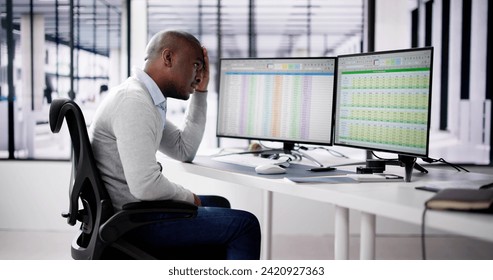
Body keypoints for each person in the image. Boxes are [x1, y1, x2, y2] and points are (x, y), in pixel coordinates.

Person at [89, 30, 261, 259]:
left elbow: (183, 150)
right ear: (168, 58)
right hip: (135, 222)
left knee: (221, 204)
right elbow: (145, 185)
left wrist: (201, 93)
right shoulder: (134, 102)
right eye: (196, 66)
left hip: (135, 212)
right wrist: (189, 197)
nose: (199, 76)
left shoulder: (143, 99)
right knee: (246, 225)